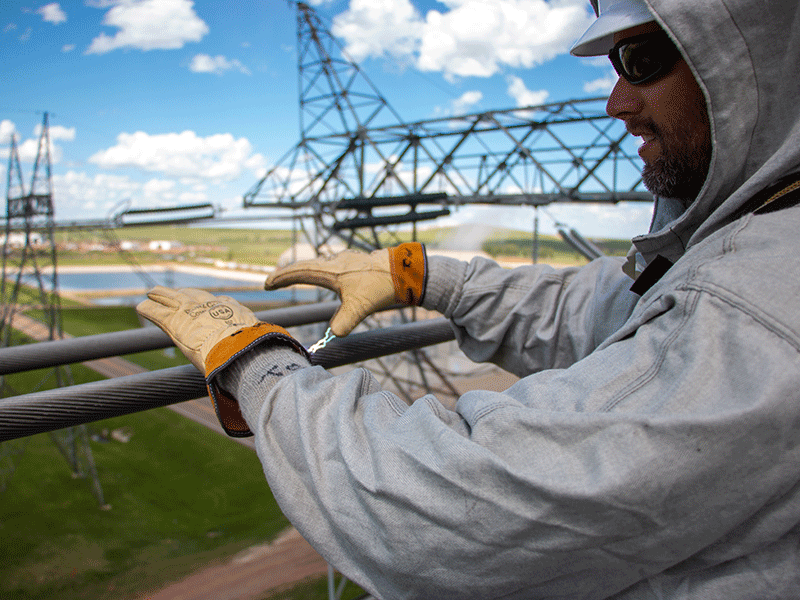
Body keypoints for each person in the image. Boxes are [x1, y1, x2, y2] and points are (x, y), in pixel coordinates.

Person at [137, 0, 800, 597]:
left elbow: (440, 517)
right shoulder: (751, 248)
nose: (615, 102)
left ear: (750, 66)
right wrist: (424, 276)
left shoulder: (761, 302)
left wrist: (255, 363)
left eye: (642, 58)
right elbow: (615, 307)